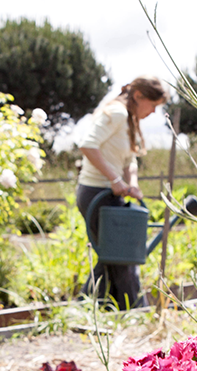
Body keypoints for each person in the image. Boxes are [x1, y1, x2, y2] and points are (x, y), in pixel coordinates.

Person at [76, 75, 169, 310]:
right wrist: (114, 179)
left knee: (113, 255)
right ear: (138, 96)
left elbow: (130, 160)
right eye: (153, 105)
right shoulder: (116, 113)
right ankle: (135, 310)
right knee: (122, 256)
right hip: (95, 193)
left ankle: (89, 308)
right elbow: (88, 145)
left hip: (111, 194)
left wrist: (132, 182)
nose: (153, 112)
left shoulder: (129, 120)